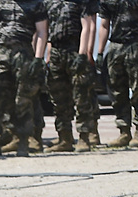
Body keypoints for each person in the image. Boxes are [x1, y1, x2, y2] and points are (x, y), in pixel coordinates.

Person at [0, 0, 48, 156]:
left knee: (24, 100)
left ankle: (23, 141)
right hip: (1, 52)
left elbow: (41, 32)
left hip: (24, 53)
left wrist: (39, 58)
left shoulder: (36, 4)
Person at [93, 0, 138, 148]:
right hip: (115, 47)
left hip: (135, 45)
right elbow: (104, 26)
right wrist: (99, 52)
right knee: (116, 91)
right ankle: (124, 132)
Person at [43, 0, 98, 151]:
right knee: (59, 99)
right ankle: (64, 138)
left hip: (74, 50)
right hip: (56, 53)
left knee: (81, 97)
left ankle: (84, 138)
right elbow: (47, 30)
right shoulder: (49, 3)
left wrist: (82, 54)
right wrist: (47, 56)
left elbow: (86, 27)